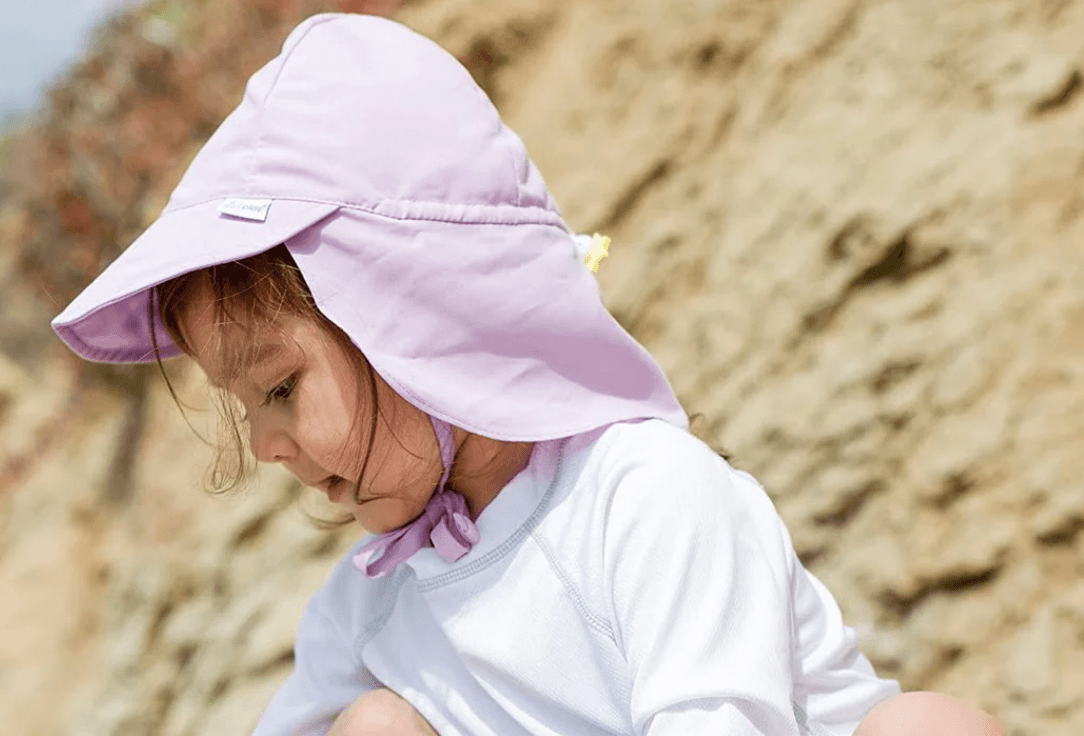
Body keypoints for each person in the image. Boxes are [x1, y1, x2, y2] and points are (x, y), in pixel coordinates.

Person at [51, 13, 1006, 736]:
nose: (263, 446)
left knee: (925, 727)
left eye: (279, 389)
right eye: (246, 409)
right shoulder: (373, 603)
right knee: (373, 728)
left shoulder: (642, 497)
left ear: (413, 318)